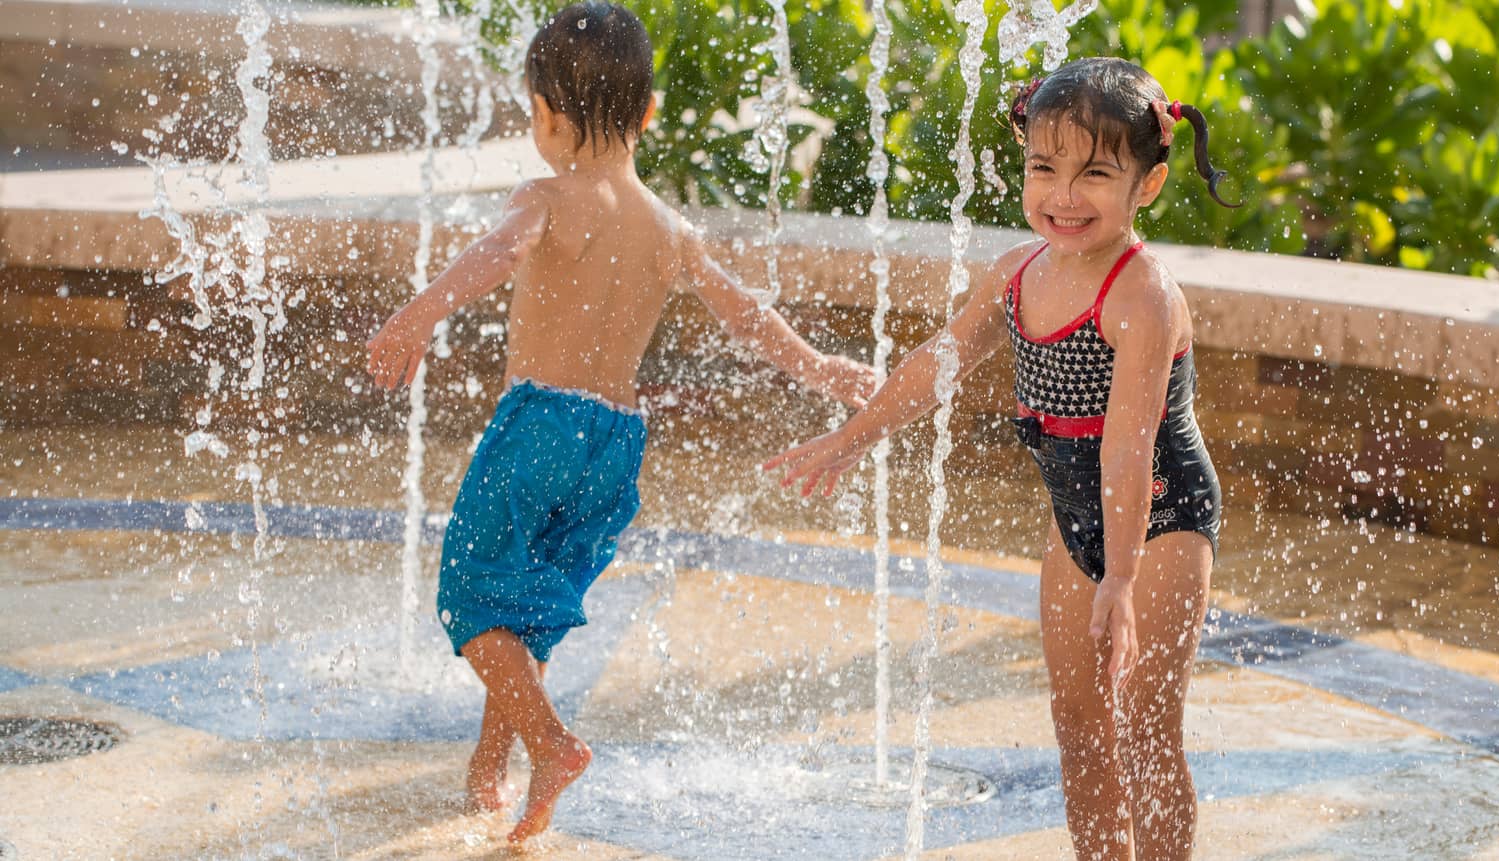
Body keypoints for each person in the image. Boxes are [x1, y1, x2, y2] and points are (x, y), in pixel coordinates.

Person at [366, 2, 874, 845]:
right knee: (529, 606)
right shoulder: (670, 230)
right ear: (648, 113)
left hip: (537, 425)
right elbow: (743, 312)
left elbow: (494, 255)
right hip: (614, 444)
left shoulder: (546, 197)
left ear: (548, 117)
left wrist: (419, 314)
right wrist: (817, 367)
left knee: (468, 589)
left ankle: (551, 743)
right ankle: (490, 771)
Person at [767, 57, 1235, 860]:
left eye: (1094, 173)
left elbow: (1127, 447)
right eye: (1043, 168)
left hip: (1159, 517)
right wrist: (851, 437)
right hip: (1077, 519)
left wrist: (1119, 578)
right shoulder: (1015, 275)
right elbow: (935, 363)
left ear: (1146, 185)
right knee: (1079, 723)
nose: (1062, 194)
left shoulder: (1142, 295)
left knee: (1146, 725)